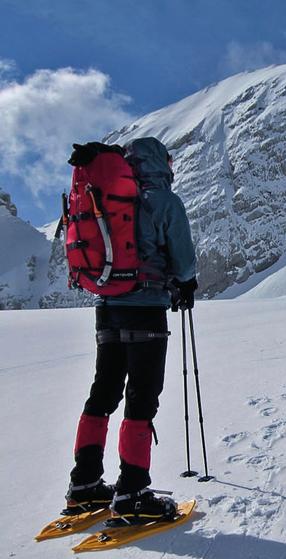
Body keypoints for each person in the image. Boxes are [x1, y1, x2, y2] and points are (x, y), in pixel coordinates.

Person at [64, 137, 198, 523]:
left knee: (102, 394)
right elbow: (184, 264)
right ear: (162, 164)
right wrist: (182, 285)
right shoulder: (163, 201)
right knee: (141, 398)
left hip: (106, 310)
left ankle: (84, 485)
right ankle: (133, 492)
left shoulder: (106, 196)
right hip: (145, 312)